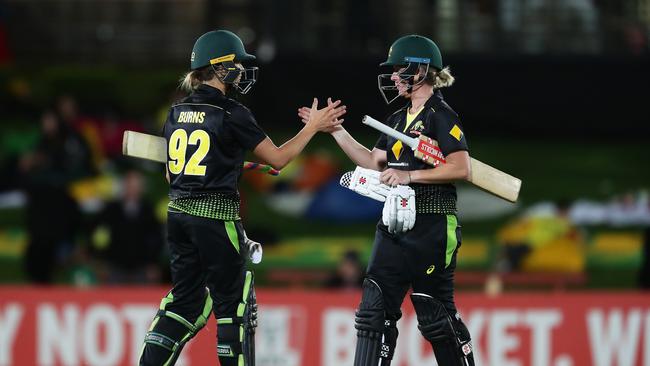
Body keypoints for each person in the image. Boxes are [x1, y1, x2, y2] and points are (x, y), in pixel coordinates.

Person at [137, 29, 345, 366]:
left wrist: (227, 163)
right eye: (235, 63)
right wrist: (313, 127)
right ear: (219, 67)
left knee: (184, 302)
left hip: (178, 217)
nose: (240, 70)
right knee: (234, 304)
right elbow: (278, 159)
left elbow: (171, 173)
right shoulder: (233, 113)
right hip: (217, 219)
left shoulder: (176, 112)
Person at [299, 34, 474, 365]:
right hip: (394, 222)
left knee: (435, 315)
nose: (393, 77)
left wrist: (410, 176)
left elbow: (461, 167)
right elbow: (373, 161)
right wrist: (337, 131)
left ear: (421, 70)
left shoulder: (441, 115)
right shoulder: (396, 120)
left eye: (398, 69)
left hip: (433, 223)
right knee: (372, 314)